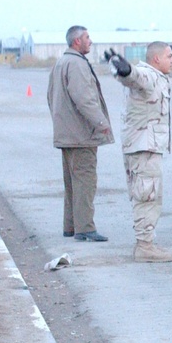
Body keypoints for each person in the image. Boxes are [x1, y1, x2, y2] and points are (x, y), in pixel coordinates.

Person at [107, 43, 172, 262]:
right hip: (143, 147)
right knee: (147, 195)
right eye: (169, 56)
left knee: (147, 194)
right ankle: (145, 246)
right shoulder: (148, 75)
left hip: (145, 146)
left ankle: (146, 243)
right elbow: (135, 78)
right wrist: (126, 71)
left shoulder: (157, 76)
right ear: (156, 59)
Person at [47, 26, 114, 242]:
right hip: (81, 135)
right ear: (77, 41)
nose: (90, 41)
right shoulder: (76, 64)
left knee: (72, 183)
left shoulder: (61, 63)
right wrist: (101, 122)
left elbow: (50, 97)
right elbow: (84, 98)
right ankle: (85, 228)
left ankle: (71, 226)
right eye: (87, 37)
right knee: (85, 181)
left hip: (67, 134)